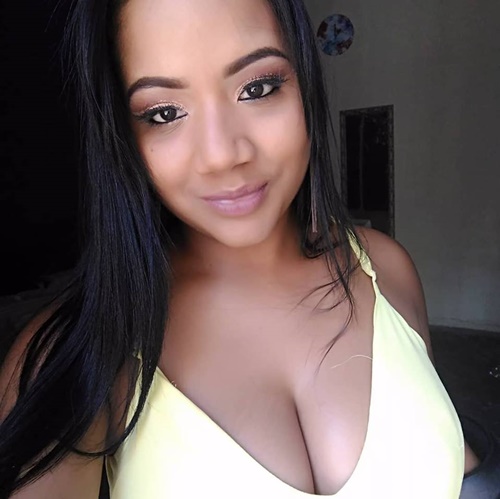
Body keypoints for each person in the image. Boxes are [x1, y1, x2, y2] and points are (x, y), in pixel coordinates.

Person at [0, 0, 488, 497]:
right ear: (122, 135)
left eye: (257, 88)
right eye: (164, 113)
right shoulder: (72, 356)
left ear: (304, 83)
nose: (222, 155)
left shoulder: (386, 268)